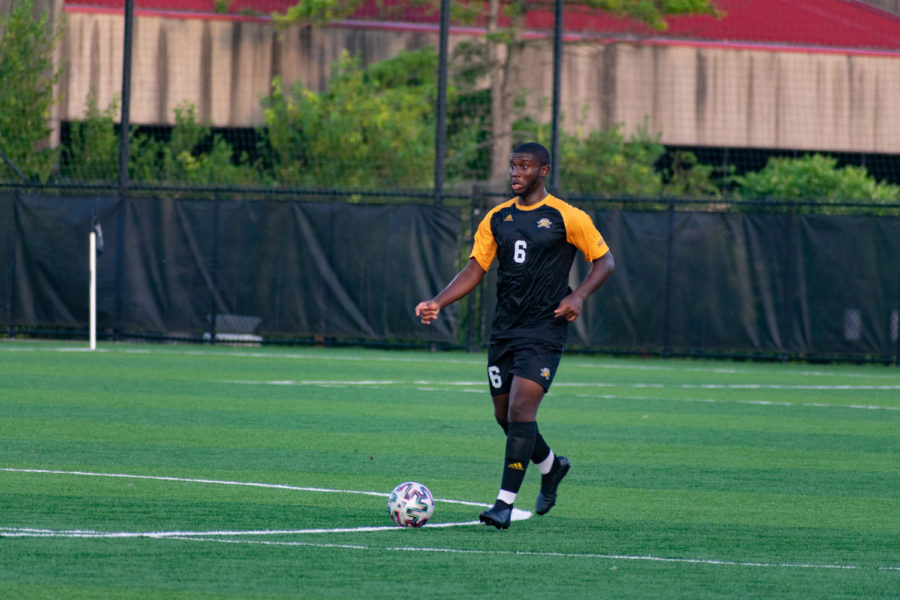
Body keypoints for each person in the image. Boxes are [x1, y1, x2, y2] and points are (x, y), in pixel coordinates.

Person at [415, 142, 615, 529]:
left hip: (544, 329)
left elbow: (605, 260)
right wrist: (438, 301)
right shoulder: (496, 218)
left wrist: (578, 295)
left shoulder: (566, 217)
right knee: (505, 417)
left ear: (544, 171)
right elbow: (475, 269)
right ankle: (552, 466)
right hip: (504, 329)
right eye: (512, 166)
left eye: (524, 166)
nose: (515, 173)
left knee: (522, 411)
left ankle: (503, 504)